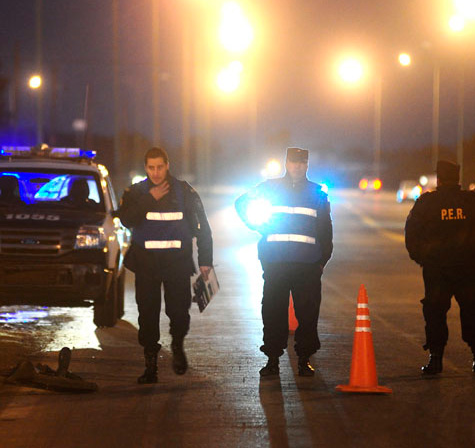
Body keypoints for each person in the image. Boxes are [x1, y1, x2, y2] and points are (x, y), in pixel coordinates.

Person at [235, 147, 333, 378]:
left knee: (307, 315)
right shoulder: (270, 188)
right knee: (272, 311)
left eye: (302, 163)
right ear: (286, 164)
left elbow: (326, 231)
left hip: (307, 266)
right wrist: (259, 227)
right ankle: (272, 360)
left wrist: (321, 261)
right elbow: (241, 203)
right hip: (276, 264)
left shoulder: (317, 193)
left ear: (307, 165)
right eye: (293, 162)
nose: (297, 167)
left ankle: (304, 360)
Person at [118, 147, 213, 384]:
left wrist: (205, 262)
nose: (156, 172)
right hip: (147, 264)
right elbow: (126, 219)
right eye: (151, 167)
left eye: (160, 167)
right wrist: (151, 199)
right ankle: (150, 364)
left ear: (167, 165)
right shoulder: (136, 192)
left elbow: (203, 227)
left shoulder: (184, 191)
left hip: (177, 264)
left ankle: (178, 345)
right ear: (145, 168)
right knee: (147, 315)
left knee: (179, 312)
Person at [404, 160, 475, 376]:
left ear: (439, 178)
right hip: (468, 269)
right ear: (457, 178)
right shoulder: (473, 202)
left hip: (437, 270)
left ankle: (435, 360)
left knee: (435, 314)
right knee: (473, 313)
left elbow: (412, 235)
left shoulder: (427, 203)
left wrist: (423, 259)